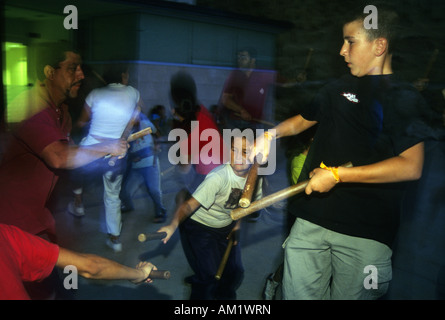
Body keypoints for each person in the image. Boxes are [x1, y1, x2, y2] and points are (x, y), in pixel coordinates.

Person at [253, 6, 430, 300]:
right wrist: (271, 134)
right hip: (311, 218)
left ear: (379, 45)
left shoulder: (405, 98)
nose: (341, 51)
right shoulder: (338, 86)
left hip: (365, 232)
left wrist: (337, 174)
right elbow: (304, 119)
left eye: (350, 41)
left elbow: (410, 166)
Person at [0, 45, 128, 243]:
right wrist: (108, 146)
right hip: (10, 228)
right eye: (72, 68)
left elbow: (72, 153)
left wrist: (103, 152)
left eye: (81, 68)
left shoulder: (62, 111)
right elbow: (59, 156)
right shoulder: (28, 106)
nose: (81, 75)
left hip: (37, 221)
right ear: (50, 72)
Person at [158, 133, 262, 299]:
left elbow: (244, 206)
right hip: (200, 227)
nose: (237, 156)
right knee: (208, 276)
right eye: (233, 150)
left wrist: (237, 225)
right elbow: (189, 205)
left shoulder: (255, 179)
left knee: (234, 272)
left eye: (244, 151)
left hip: (225, 226)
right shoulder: (218, 177)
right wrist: (172, 225)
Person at [67, 64, 143, 252]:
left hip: (93, 147)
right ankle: (115, 239)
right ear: (123, 76)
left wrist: (88, 122)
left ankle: (78, 204)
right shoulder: (133, 92)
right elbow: (138, 114)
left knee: (75, 167)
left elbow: (82, 121)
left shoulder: (95, 94)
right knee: (112, 196)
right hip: (116, 152)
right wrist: (124, 132)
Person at [0, 223, 157, 300]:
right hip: (39, 245)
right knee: (63, 283)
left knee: (63, 283)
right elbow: (90, 267)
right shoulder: (5, 235)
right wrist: (138, 274)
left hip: (41, 249)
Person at [169, 71, 226, 204]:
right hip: (215, 166)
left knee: (183, 202)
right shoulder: (200, 109)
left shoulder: (190, 130)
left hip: (213, 173)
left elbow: (185, 167)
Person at [120, 111, 167, 223]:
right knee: (123, 189)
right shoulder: (125, 129)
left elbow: (157, 134)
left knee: (153, 190)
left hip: (149, 161)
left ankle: (160, 210)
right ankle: (128, 205)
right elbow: (121, 147)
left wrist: (157, 145)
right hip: (133, 164)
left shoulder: (145, 123)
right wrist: (131, 156)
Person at [218, 47, 276, 130]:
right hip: (235, 122)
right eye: (239, 58)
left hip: (255, 123)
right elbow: (225, 99)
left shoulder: (262, 73)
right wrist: (241, 111)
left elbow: (282, 81)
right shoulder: (235, 75)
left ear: (253, 60)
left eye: (243, 58)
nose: (240, 60)